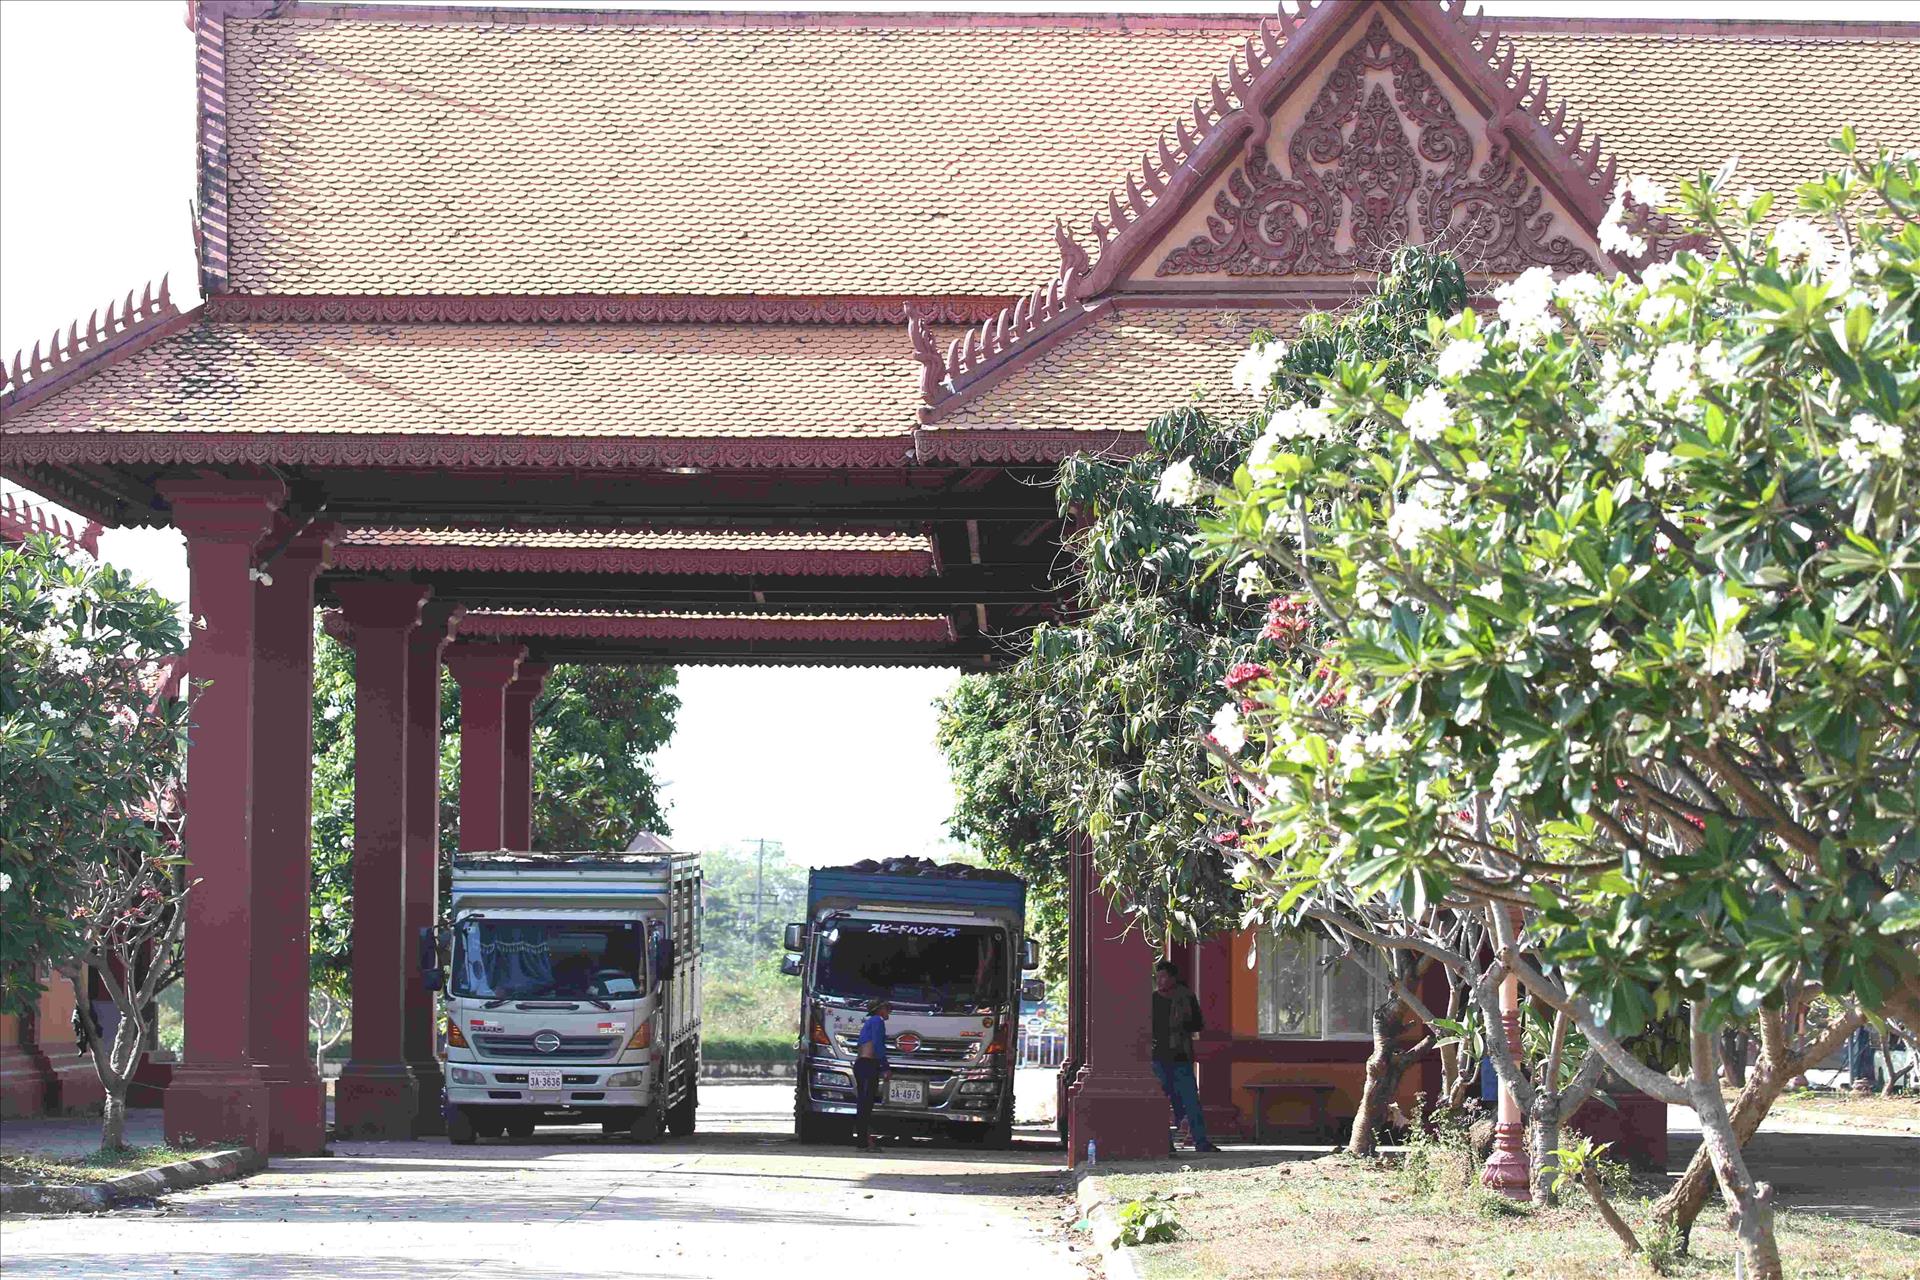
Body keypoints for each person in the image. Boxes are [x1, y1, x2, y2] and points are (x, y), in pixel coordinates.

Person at [1151, 960, 1218, 1154]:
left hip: (1181, 1056)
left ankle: (1201, 1142)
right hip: (1158, 1057)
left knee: (1191, 1101)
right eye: (1158, 977)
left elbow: (1198, 1024)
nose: (1160, 981)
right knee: (1162, 1102)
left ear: (1173, 978)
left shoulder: (1186, 997)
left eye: (1164, 977)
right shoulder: (1152, 1000)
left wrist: (1181, 1024)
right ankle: (1165, 1143)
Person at [854, 999, 892, 1150]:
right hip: (868, 1064)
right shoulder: (877, 1021)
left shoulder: (870, 1022)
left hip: (862, 1065)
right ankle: (863, 1142)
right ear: (880, 1009)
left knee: (864, 1103)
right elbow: (877, 1045)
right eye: (887, 1008)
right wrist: (885, 1067)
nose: (889, 1012)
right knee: (866, 1104)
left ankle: (864, 1140)